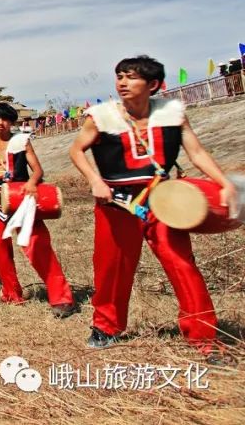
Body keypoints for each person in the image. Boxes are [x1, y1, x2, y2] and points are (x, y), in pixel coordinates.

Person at [70, 55, 238, 356]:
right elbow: (77, 150)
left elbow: (196, 153)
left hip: (163, 199)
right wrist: (95, 181)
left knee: (183, 265)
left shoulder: (172, 114)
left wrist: (223, 183)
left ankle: (204, 338)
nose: (122, 82)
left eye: (131, 77)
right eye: (120, 75)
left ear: (153, 85)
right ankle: (106, 327)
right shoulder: (101, 116)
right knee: (112, 268)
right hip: (117, 203)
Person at [0, 103, 75, 316]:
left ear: (13, 122)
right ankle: (12, 294)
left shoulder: (21, 141)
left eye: (6, 119)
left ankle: (61, 298)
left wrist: (32, 182)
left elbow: (37, 170)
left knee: (37, 244)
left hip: (22, 194)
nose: (1, 123)